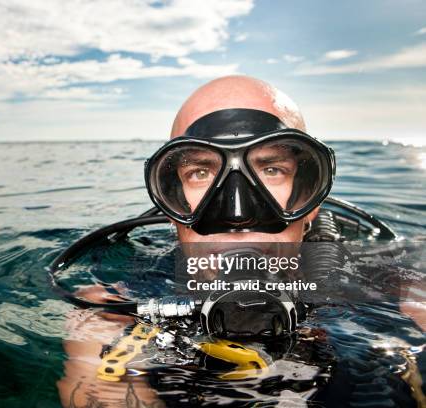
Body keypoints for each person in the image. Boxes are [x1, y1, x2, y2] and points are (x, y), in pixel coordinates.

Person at [56, 75, 422, 407]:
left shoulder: (397, 291)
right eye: (200, 172)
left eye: (272, 169)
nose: (237, 215)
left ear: (311, 199)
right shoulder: (109, 310)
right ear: (171, 203)